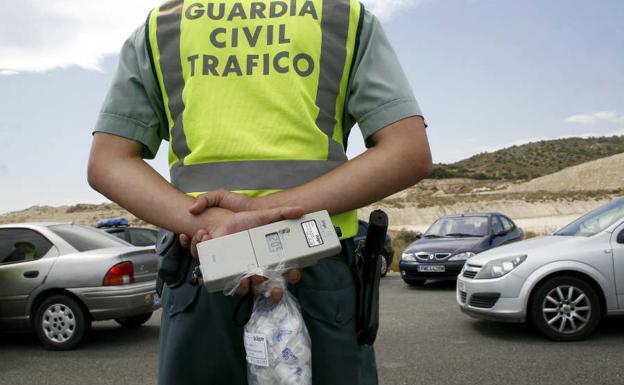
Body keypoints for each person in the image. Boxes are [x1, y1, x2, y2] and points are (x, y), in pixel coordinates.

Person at [87, 1, 432, 384]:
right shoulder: (341, 15)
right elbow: (407, 152)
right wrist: (265, 221)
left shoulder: (164, 25)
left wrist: (225, 229)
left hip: (205, 265)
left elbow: (108, 163)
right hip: (316, 266)